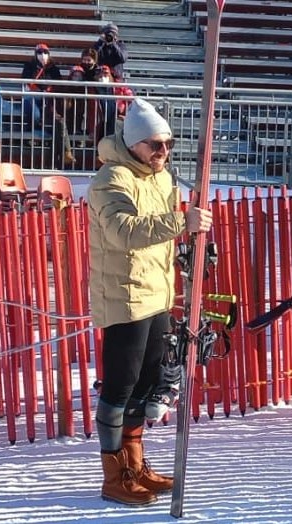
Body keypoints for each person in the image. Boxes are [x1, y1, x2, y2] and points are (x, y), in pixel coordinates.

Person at [87, 98, 213, 505]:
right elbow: (123, 231)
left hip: (157, 290)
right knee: (121, 384)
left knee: (147, 381)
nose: (163, 152)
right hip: (123, 294)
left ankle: (135, 462)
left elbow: (163, 233)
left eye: (168, 144)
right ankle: (114, 474)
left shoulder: (161, 178)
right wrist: (181, 221)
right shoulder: (111, 179)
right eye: (155, 145)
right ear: (133, 144)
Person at [19, 42, 74, 167]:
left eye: (45, 52)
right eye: (39, 53)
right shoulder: (29, 66)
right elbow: (26, 80)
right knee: (34, 111)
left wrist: (48, 90)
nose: (42, 55)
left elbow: (58, 83)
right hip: (33, 94)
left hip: (49, 97)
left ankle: (60, 155)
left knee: (55, 119)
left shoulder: (53, 68)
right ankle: (32, 132)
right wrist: (38, 70)